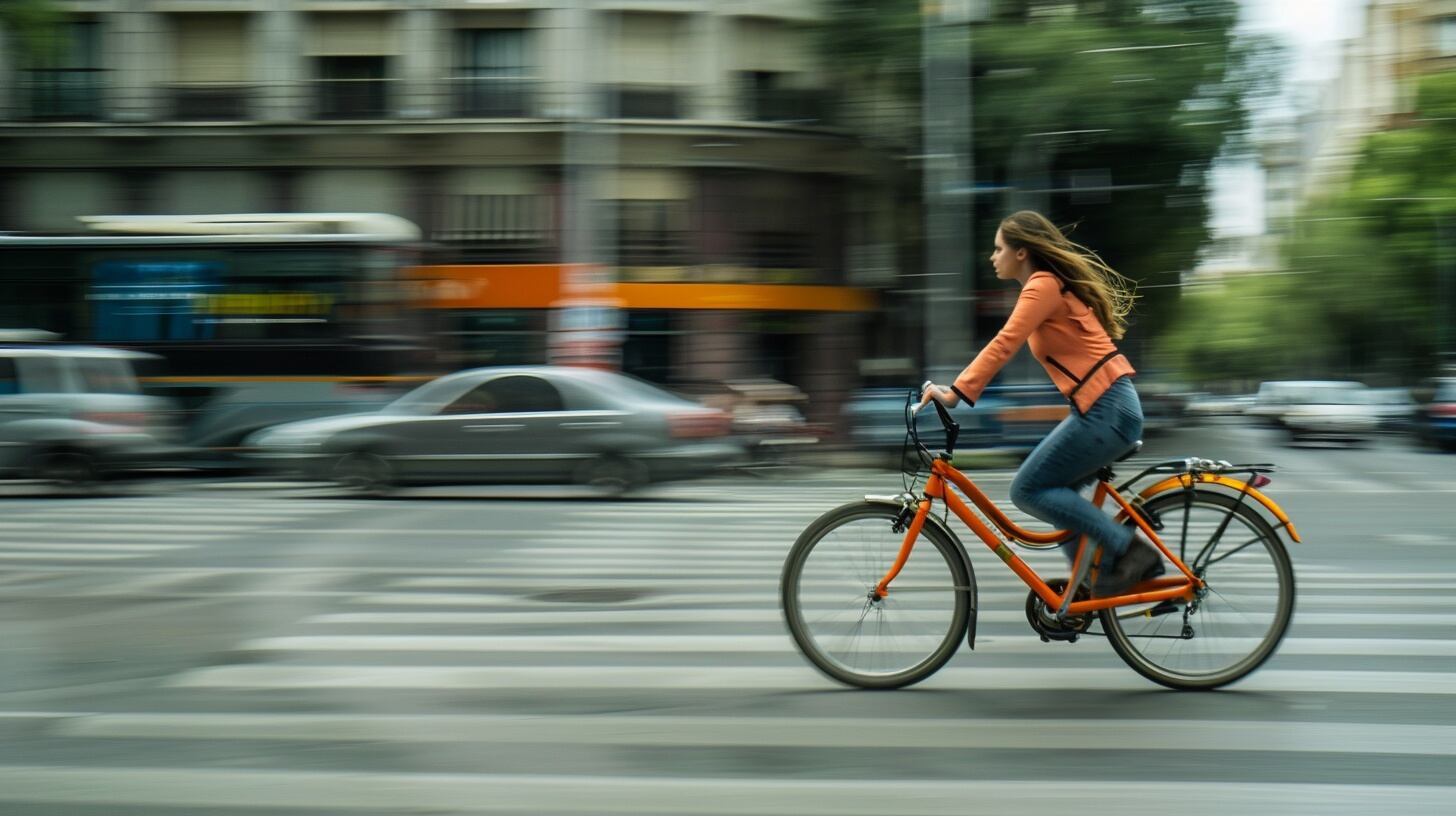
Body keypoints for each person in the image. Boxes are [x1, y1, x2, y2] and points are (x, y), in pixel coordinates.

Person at [918, 210, 1161, 596]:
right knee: (1055, 494)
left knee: (1028, 490)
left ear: (1021, 252)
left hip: (1107, 409)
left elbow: (1005, 342)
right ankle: (1091, 584)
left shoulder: (1042, 285)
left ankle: (1129, 550)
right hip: (1105, 407)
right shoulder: (1050, 286)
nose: (991, 256)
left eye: (998, 249)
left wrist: (955, 393)